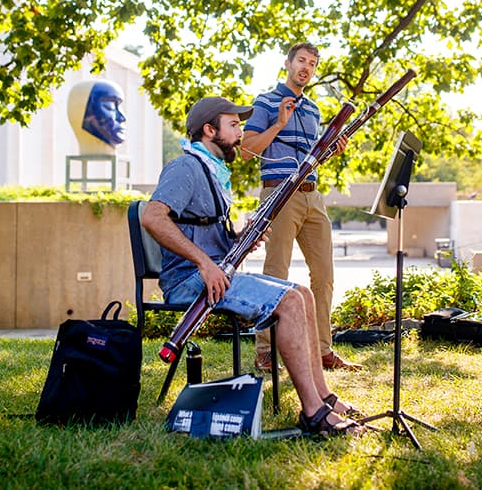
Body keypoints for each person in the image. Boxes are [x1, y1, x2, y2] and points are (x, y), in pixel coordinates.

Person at [141, 96, 365, 436]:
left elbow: (202, 231)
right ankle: (313, 413)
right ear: (209, 130)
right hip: (189, 280)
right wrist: (204, 262)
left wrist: (239, 237)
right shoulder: (185, 168)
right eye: (233, 125)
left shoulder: (214, 171)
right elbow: (152, 217)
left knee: (302, 293)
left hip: (215, 274)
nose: (241, 133)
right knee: (289, 302)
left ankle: (324, 396)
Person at [241, 42, 362, 372]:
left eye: (312, 63)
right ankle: (266, 351)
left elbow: (312, 157)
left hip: (313, 196)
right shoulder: (265, 102)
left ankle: (323, 350)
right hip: (279, 194)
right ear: (288, 64)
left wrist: (332, 150)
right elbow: (247, 150)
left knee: (324, 275)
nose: (306, 67)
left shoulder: (313, 111)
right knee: (275, 274)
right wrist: (278, 123)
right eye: (301, 61)